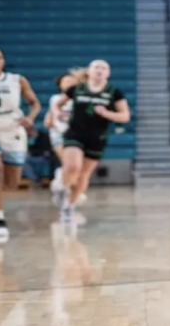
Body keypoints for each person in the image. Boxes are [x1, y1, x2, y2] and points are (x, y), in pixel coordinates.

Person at [53, 60, 130, 222]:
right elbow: (56, 105)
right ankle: (62, 187)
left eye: (104, 68)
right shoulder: (76, 89)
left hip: (97, 137)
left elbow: (125, 116)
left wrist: (107, 114)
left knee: (83, 175)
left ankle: (69, 206)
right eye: (96, 67)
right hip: (75, 133)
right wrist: (58, 113)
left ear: (108, 73)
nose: (100, 70)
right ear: (89, 71)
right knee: (73, 166)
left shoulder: (115, 92)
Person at [0, 48, 40, 244]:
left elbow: (34, 103)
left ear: (3, 61)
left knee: (10, 184)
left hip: (12, 131)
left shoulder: (17, 80)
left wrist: (30, 118)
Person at [44, 69, 86, 203]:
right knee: (69, 162)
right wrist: (49, 119)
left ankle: (62, 182)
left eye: (72, 81)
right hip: (59, 135)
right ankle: (64, 187)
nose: (69, 83)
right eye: (66, 81)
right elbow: (50, 115)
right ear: (60, 85)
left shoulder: (81, 98)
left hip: (77, 135)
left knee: (77, 166)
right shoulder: (56, 99)